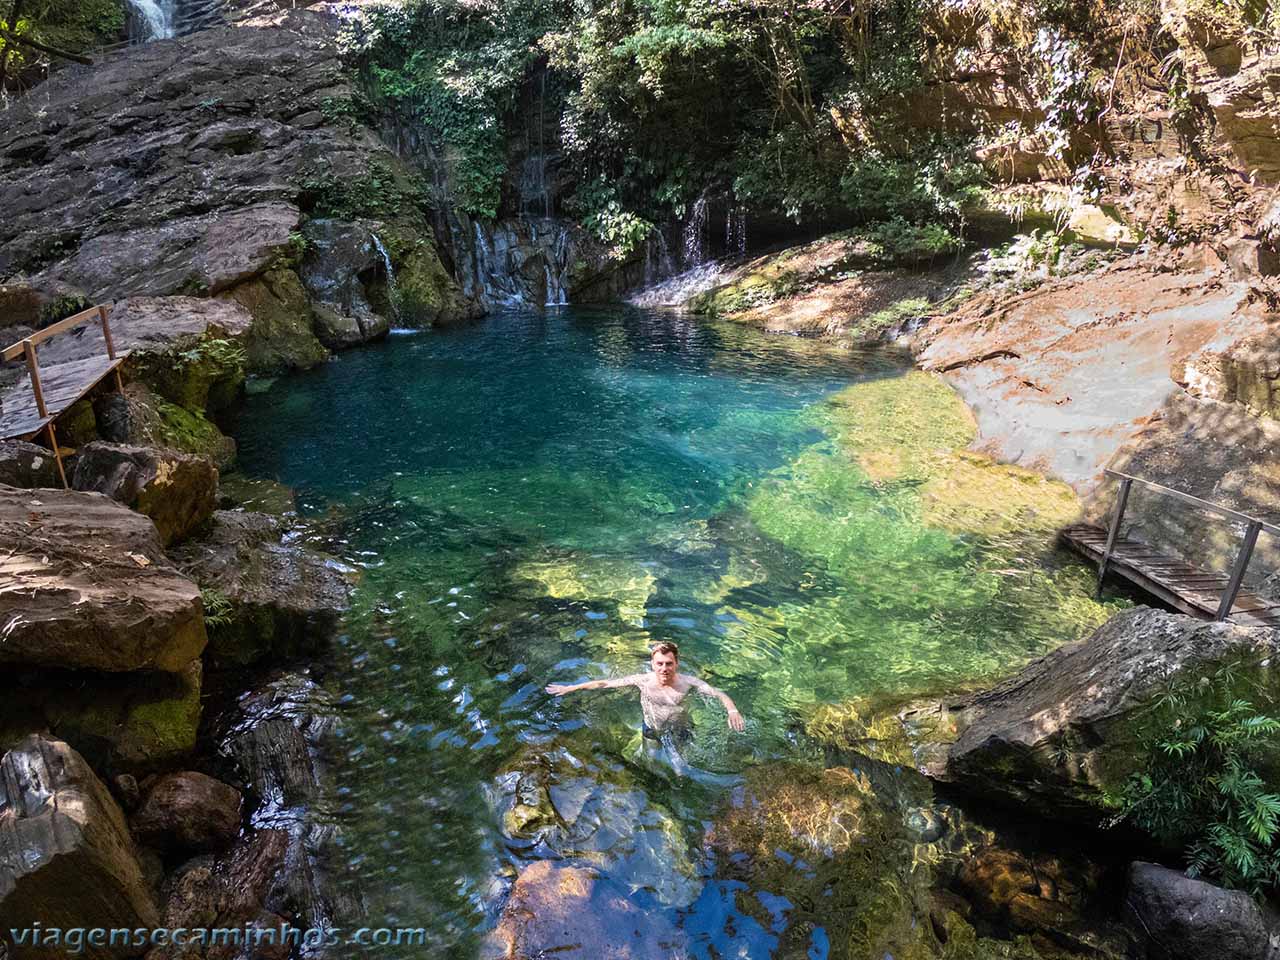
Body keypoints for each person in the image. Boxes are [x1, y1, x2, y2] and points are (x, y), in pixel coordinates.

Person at [545, 641, 745, 743]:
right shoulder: (642, 681)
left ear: (676, 663)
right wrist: (571, 688)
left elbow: (718, 693)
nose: (664, 668)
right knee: (652, 759)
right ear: (652, 664)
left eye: (669, 664)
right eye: (659, 664)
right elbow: (605, 684)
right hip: (650, 727)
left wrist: (732, 710)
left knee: (680, 771)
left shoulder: (688, 683)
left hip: (680, 728)